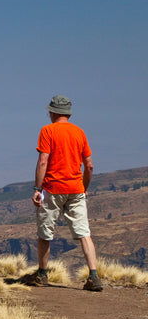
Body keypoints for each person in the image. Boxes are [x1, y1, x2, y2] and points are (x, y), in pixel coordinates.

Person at [30, 95, 101, 291]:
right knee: (84, 234)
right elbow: (90, 165)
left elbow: (43, 161)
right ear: (68, 113)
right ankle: (93, 276)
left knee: (45, 233)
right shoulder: (79, 132)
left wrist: (37, 189)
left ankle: (42, 275)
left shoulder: (48, 131)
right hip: (76, 189)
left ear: (53, 112)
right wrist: (84, 187)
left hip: (53, 188)